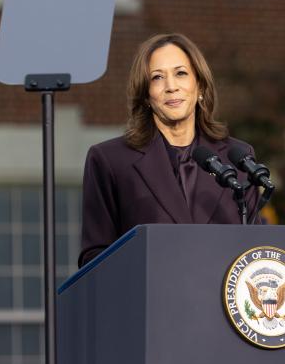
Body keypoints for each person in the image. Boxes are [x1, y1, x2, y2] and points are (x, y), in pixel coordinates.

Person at [78, 33, 260, 267]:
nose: (171, 87)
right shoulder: (111, 161)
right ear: (145, 96)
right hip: (152, 299)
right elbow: (94, 258)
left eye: (181, 73)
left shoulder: (239, 158)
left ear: (200, 85)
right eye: (157, 78)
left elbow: (257, 251)